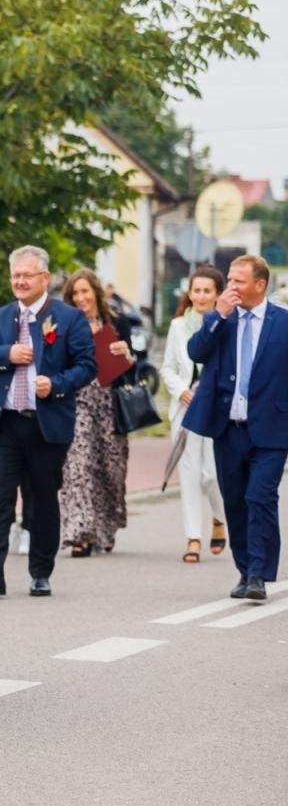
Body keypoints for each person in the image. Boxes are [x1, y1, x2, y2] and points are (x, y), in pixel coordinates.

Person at [0, 246, 97, 597]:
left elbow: (87, 366)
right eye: (15, 276)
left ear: (45, 278)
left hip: (46, 423)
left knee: (41, 500)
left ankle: (40, 571)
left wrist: (55, 385)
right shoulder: (0, 317)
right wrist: (6, 355)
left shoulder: (69, 318)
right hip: (5, 423)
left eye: (27, 275)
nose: (20, 281)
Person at [182, 254, 288, 602]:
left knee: (260, 497)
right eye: (230, 280)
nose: (232, 287)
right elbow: (196, 352)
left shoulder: (282, 323)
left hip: (272, 427)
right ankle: (244, 569)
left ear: (261, 285)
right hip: (229, 427)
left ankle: (258, 571)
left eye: (239, 281)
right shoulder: (221, 320)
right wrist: (218, 315)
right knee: (236, 501)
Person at [57, 269, 134, 557]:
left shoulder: (116, 321)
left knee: (110, 470)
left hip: (110, 403)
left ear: (95, 293)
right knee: (78, 465)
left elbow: (130, 371)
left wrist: (127, 357)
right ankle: (80, 533)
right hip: (76, 403)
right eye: (75, 293)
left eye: (84, 292)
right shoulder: (62, 325)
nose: (80, 298)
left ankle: (107, 527)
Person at [161, 265, 228, 565]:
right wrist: (180, 390)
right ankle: (193, 537)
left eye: (207, 291)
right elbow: (168, 368)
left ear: (218, 295)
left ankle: (218, 517)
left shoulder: (227, 324)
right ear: (189, 293)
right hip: (186, 409)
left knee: (211, 476)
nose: (201, 296)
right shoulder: (177, 326)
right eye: (196, 290)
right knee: (188, 474)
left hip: (216, 410)